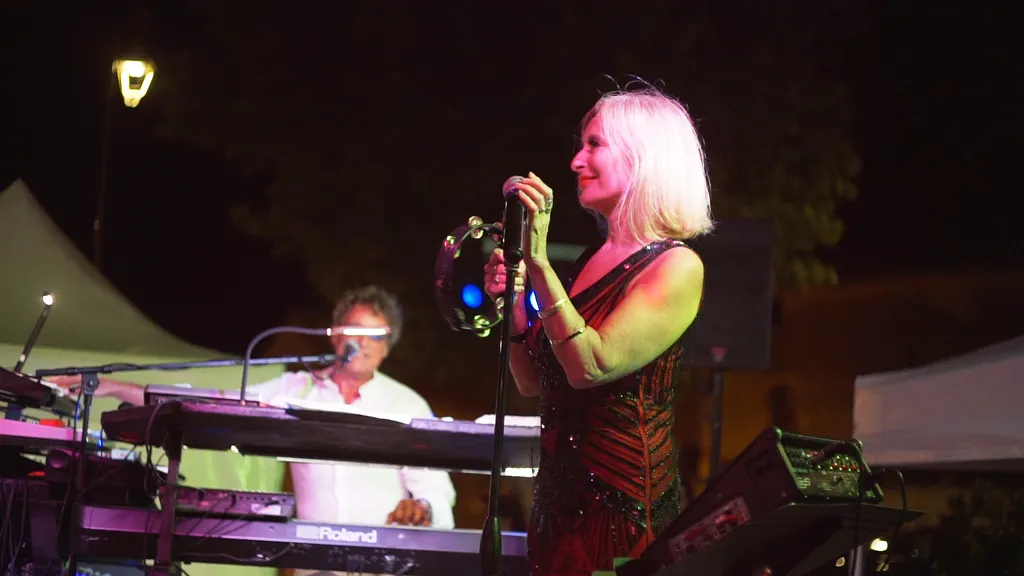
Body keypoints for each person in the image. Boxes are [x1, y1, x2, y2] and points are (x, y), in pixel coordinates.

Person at [483, 86, 712, 576]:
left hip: (623, 516)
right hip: (556, 510)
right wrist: (515, 307)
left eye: (594, 145)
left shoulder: (677, 266)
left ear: (643, 156)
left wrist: (539, 264)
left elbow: (591, 366)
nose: (575, 162)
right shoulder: (589, 262)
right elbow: (532, 380)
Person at [52, 285, 457, 536]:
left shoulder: (407, 403)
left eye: (375, 334)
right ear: (334, 336)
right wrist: (112, 386)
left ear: (387, 347)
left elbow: (436, 489)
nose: (363, 343)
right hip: (314, 563)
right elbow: (210, 403)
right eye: (354, 330)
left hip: (390, 562)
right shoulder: (297, 388)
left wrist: (422, 508)